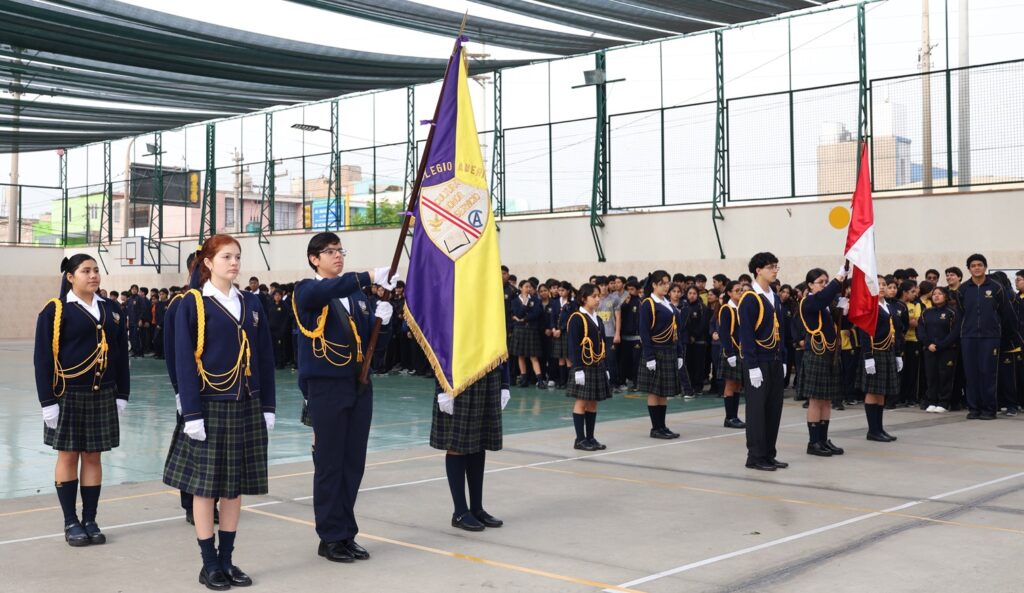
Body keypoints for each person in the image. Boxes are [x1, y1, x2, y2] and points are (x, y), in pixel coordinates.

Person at [163, 234, 276, 589]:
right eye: (226, 256)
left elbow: (265, 358)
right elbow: (183, 358)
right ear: (208, 263)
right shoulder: (193, 303)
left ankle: (227, 560)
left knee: (234, 487)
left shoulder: (252, 303)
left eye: (238, 257)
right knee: (205, 488)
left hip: (245, 403)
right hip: (210, 403)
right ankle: (209, 563)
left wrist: (268, 405)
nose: (234, 263)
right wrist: (191, 412)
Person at [291, 232, 394, 563]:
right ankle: (330, 536)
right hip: (326, 386)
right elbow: (327, 290)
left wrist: (385, 322)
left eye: (340, 250)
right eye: (329, 251)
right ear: (314, 259)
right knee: (330, 463)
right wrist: (366, 277)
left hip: (359, 384)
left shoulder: (359, 298)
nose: (337, 255)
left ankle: (346, 532)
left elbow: (371, 345)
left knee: (353, 463)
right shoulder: (308, 291)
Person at [34, 254, 129, 547]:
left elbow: (120, 356)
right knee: (68, 455)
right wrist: (47, 401)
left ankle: (90, 518)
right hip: (68, 395)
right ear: (70, 277)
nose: (93, 275)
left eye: (96, 270)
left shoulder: (112, 309)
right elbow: (42, 359)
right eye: (85, 271)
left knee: (93, 456)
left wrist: (122, 393)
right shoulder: (56, 311)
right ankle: (70, 521)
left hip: (102, 393)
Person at [434, 365, 510, 531]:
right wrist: (442, 387)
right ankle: (460, 512)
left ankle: (477, 509)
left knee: (479, 441)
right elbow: (441, 347)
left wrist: (505, 383)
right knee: (457, 443)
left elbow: (501, 346)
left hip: (488, 374)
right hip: (457, 377)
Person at [737, 253, 788, 471]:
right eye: (770, 267)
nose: (775, 270)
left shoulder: (774, 296)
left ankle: (768, 453)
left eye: (776, 266)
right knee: (757, 411)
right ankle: (755, 456)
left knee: (773, 409)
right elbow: (746, 335)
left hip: (775, 359)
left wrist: (784, 358)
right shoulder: (750, 298)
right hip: (758, 361)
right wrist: (752, 367)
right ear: (758, 270)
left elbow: (780, 331)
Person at [959, 254, 1019, 420]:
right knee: (971, 374)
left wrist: (1010, 336)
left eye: (980, 265)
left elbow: (1006, 313)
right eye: (973, 265)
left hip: (990, 337)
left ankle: (989, 409)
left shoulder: (996, 287)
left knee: (988, 373)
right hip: (968, 337)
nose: (976, 268)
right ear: (969, 269)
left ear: (985, 267)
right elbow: (960, 314)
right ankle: (974, 409)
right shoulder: (963, 289)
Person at [797, 267, 847, 457]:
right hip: (816, 354)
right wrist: (838, 279)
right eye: (821, 282)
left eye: (826, 281)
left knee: (826, 400)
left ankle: (823, 439)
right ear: (810, 285)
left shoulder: (826, 303)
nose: (825, 285)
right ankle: (813, 442)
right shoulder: (809, 301)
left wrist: (842, 310)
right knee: (816, 401)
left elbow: (838, 321)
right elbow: (822, 299)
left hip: (829, 353)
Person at [637, 271, 683, 439]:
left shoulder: (668, 304)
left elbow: (677, 331)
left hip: (669, 350)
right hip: (656, 350)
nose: (666, 286)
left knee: (664, 392)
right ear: (654, 285)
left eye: (667, 283)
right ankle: (655, 428)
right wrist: (649, 356)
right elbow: (644, 332)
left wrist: (679, 353)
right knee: (654, 392)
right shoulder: (648, 303)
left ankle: (662, 426)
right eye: (662, 283)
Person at [857, 275, 903, 442]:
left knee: (881, 391)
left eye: (884, 284)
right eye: (878, 284)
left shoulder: (887, 306)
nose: (882, 287)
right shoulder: (870, 306)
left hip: (888, 350)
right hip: (875, 351)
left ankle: (880, 428)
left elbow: (895, 331)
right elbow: (864, 333)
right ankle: (873, 430)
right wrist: (868, 356)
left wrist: (897, 353)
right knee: (872, 390)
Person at [566, 283, 613, 451]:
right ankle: (580, 439)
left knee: (593, 403)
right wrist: (577, 368)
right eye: (594, 296)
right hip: (584, 366)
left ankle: (590, 437)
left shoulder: (597, 318)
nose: (597, 299)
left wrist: (606, 367)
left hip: (597, 365)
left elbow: (601, 345)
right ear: (583, 298)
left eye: (598, 296)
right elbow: (573, 345)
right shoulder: (577, 318)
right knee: (581, 402)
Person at [918, 287, 959, 413]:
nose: (936, 296)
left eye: (939, 294)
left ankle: (943, 402)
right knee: (931, 376)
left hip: (947, 350)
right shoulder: (926, 312)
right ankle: (931, 401)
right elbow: (920, 329)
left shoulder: (952, 312)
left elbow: (955, 332)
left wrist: (941, 345)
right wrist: (928, 343)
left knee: (945, 375)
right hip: (929, 349)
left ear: (945, 296)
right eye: (934, 294)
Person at [717, 281, 746, 429]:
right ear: (729, 293)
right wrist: (729, 353)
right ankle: (729, 417)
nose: (740, 292)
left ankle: (734, 415)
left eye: (741, 290)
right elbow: (724, 333)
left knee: (738, 385)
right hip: (731, 352)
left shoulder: (740, 309)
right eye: (737, 290)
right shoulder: (727, 309)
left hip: (740, 351)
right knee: (730, 384)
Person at [509, 279, 546, 389]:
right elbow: (517, 313)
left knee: (533, 356)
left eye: (529, 287)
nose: (528, 288)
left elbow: (537, 313)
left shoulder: (536, 299)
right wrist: (525, 305)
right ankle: (523, 379)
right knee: (520, 356)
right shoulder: (515, 301)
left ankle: (540, 380)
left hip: (531, 330)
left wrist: (524, 319)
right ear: (520, 288)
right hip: (519, 330)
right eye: (526, 286)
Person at [683, 285, 710, 395]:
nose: (692, 295)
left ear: (697, 295)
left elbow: (703, 324)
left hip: (699, 341)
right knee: (688, 364)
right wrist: (688, 336)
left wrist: (694, 335)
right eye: (690, 293)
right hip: (688, 341)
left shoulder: (702, 307)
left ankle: (698, 386)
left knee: (698, 364)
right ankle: (689, 386)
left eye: (694, 293)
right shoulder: (684, 307)